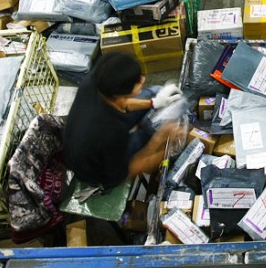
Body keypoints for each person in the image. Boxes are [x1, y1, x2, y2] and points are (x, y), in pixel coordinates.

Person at [62, 52, 183, 190]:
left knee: (157, 91)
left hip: (83, 139)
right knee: (153, 132)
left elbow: (122, 103)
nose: (143, 79)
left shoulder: (95, 81)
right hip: (98, 172)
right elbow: (132, 168)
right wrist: (161, 139)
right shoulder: (112, 132)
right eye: (137, 81)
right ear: (119, 94)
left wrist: (154, 103)